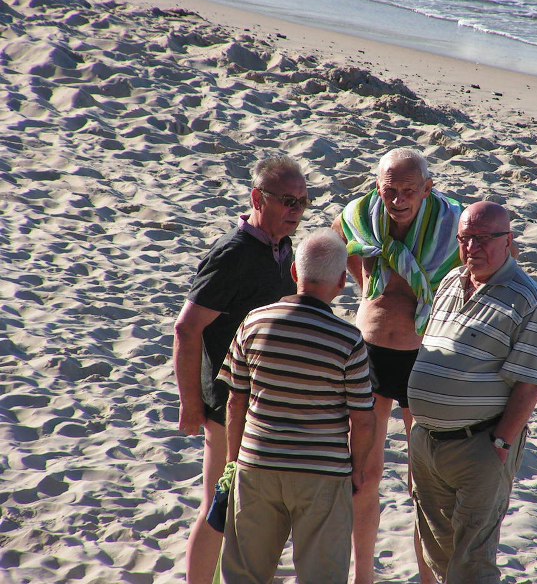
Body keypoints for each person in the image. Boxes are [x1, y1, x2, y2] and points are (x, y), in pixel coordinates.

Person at [172, 154, 309, 584]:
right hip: (227, 405)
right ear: (257, 198)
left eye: (303, 201)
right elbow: (186, 328)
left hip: (265, 405)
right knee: (218, 505)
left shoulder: (282, 248)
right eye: (287, 201)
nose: (296, 210)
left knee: (248, 512)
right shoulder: (234, 253)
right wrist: (191, 405)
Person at [332, 148, 462, 584]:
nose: (399, 200)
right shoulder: (359, 216)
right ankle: (362, 577)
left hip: (423, 356)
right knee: (363, 475)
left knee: (422, 481)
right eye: (391, 191)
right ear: (378, 187)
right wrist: (369, 287)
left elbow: (493, 266)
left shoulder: (453, 223)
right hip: (369, 353)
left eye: (409, 190)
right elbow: (337, 249)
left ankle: (427, 577)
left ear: (428, 188)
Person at [407, 201, 537, 583]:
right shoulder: (451, 281)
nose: (473, 247)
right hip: (427, 442)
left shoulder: (527, 298)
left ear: (508, 240)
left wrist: (501, 444)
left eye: (484, 238)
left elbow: (530, 384)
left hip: (480, 445)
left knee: (472, 560)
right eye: (466, 238)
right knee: (438, 550)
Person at [218, 229, 376, 583]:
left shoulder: (253, 322)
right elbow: (364, 420)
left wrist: (233, 460)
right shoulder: (348, 339)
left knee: (244, 574)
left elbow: (235, 401)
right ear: (342, 281)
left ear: (294, 272)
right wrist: (357, 470)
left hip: (258, 462)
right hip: (322, 471)